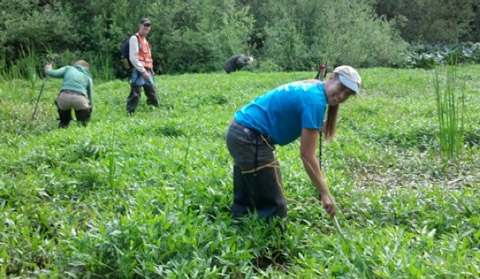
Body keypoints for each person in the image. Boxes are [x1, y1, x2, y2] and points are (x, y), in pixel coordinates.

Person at [226, 65, 361, 220]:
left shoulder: (315, 85)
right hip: (249, 137)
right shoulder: (315, 102)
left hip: (239, 129)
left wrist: (314, 124)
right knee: (275, 207)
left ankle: (239, 222)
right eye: (341, 87)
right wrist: (325, 193)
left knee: (247, 194)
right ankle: (273, 242)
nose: (342, 95)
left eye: (348, 94)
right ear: (331, 77)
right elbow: (307, 156)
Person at [45, 60, 94, 128]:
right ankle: (82, 126)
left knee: (64, 122)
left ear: (75, 65)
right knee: (84, 124)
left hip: (64, 98)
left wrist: (48, 69)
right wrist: (90, 109)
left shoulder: (68, 68)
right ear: (87, 69)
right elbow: (90, 96)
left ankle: (64, 123)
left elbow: (53, 73)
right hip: (80, 100)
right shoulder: (88, 77)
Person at [126, 17, 159, 114]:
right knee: (135, 93)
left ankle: (154, 110)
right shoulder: (134, 39)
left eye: (147, 29)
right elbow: (133, 58)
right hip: (138, 70)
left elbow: (148, 57)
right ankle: (130, 112)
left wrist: (151, 70)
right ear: (140, 26)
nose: (146, 31)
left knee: (151, 92)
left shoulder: (146, 40)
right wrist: (142, 71)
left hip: (148, 70)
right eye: (144, 28)